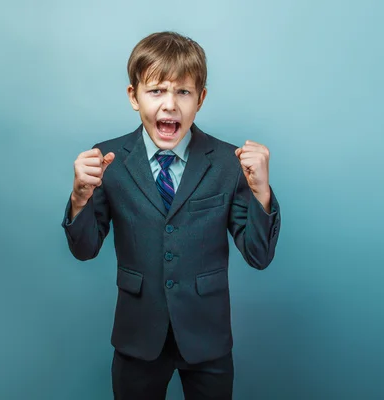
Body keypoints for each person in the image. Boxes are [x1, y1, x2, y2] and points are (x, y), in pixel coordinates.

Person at [62, 31, 281, 400]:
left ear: (201, 99)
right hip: (138, 337)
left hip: (207, 338)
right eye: (157, 91)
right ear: (133, 96)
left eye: (183, 92)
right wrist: (80, 196)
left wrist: (261, 192)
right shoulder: (108, 160)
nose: (170, 105)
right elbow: (84, 249)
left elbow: (258, 255)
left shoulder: (229, 165)